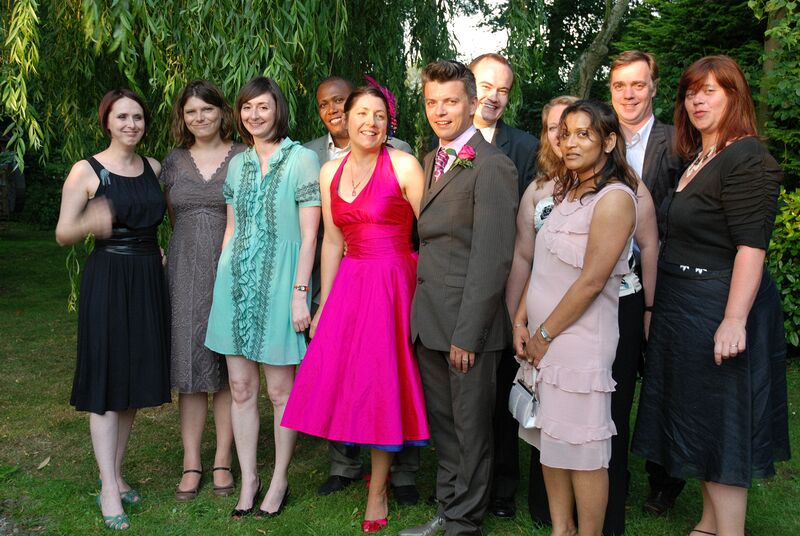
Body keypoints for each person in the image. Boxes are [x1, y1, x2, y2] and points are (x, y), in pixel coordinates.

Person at [632, 55, 789, 536]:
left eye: (710, 91)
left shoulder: (747, 157)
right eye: (691, 93)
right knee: (697, 420)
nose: (697, 101)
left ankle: (729, 531)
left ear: (734, 97)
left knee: (721, 427)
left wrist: (734, 319)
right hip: (683, 305)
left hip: (717, 304)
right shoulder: (701, 156)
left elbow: (751, 247)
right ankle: (708, 521)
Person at [283, 85, 429, 534]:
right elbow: (332, 240)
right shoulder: (330, 171)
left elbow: (432, 234)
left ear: (389, 123)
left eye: (380, 115)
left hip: (394, 281)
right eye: (362, 113)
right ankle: (353, 466)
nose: (371, 122)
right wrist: (324, 303)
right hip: (351, 280)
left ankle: (378, 488)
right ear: (346, 119)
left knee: (384, 379)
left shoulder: (404, 165)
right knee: (351, 377)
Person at [399, 60, 518, 536]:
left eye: (450, 101)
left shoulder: (493, 166)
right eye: (432, 102)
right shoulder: (431, 159)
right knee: (446, 428)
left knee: (471, 430)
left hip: (468, 328)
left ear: (472, 103)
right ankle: (449, 510)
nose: (441, 111)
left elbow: (492, 259)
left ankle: (464, 523)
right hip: (430, 320)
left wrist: (468, 335)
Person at [516, 99, 638, 536]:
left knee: (583, 449)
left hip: (578, 340)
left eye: (583, 134)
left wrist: (544, 334)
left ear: (608, 141)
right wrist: (521, 321)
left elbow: (591, 281)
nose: (569, 142)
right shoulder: (565, 192)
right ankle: (560, 528)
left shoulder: (615, 199)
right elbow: (543, 265)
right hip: (543, 338)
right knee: (551, 438)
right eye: (565, 133)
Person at [204, 76, 321, 519]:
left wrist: (299, 294)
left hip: (282, 283)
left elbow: (310, 236)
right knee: (240, 387)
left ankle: (279, 478)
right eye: (247, 107)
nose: (255, 115)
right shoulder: (238, 165)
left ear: (278, 110)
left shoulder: (303, 159)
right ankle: (249, 477)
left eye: (263, 107)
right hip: (235, 284)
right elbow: (232, 228)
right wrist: (222, 283)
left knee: (279, 390)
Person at [55, 88, 170, 531]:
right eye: (122, 117)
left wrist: (157, 252)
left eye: (137, 117)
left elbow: (152, 219)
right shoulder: (86, 170)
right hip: (108, 280)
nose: (131, 124)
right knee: (107, 379)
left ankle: (117, 475)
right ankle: (107, 487)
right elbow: (63, 232)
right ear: (107, 121)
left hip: (146, 279)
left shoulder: (153, 168)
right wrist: (90, 221)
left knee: (133, 378)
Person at [608, 54, 687, 520]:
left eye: (638, 84)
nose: (629, 94)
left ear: (654, 87)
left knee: (662, 380)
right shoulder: (600, 136)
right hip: (608, 282)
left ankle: (665, 480)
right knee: (611, 376)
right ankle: (609, 468)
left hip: (665, 277)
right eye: (620, 85)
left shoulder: (677, 142)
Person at [161, 80, 245, 501]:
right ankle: (191, 462)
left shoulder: (244, 156)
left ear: (221, 111)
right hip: (184, 271)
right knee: (190, 370)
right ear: (183, 116)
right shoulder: (173, 161)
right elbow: (169, 216)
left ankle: (223, 461)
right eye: (191, 111)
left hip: (232, 268)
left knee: (229, 369)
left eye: (207, 109)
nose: (200, 118)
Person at [468, 53, 540, 520]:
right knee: (464, 389)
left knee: (501, 386)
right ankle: (462, 478)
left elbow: (531, 225)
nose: (493, 97)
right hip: (460, 280)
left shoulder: (525, 147)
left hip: (509, 280)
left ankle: (502, 489)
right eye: (485, 85)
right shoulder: (445, 140)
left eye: (503, 90)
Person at [503, 95, 577, 526]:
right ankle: (546, 506)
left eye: (573, 128)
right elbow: (524, 258)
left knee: (581, 408)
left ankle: (592, 509)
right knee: (541, 405)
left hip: (589, 315)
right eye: (554, 129)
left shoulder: (613, 188)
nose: (564, 137)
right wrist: (516, 318)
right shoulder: (536, 191)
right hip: (539, 306)